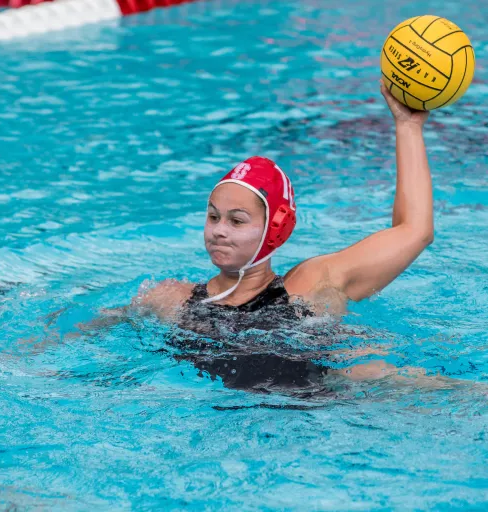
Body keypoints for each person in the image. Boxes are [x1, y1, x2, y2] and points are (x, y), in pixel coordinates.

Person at [37, 82, 460, 396]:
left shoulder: (313, 284)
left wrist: (407, 125)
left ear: (275, 226)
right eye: (213, 216)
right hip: (209, 421)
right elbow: (84, 334)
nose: (219, 230)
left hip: (323, 406)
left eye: (238, 221)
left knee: (383, 374)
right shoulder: (170, 298)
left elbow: (415, 231)